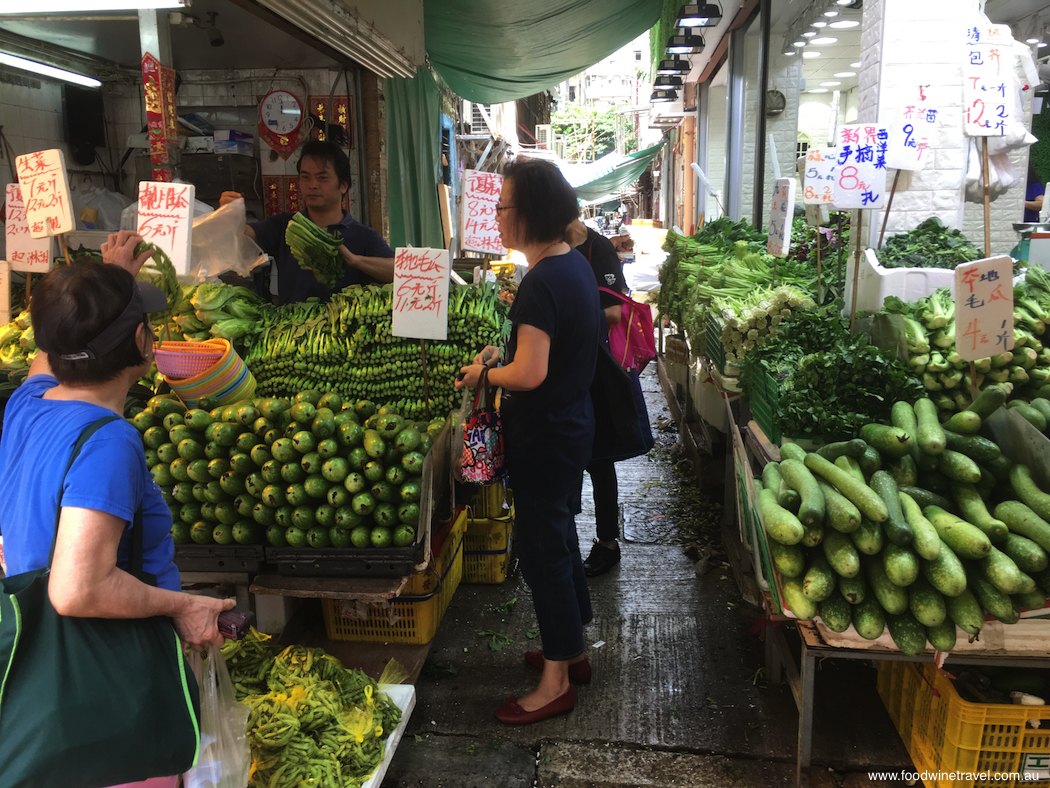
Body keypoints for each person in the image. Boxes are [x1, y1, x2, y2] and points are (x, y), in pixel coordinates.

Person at [0, 230, 233, 787]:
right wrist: (181, 606)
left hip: (41, 673)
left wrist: (107, 282)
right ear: (142, 341)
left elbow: (53, 347)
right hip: (104, 690)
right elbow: (78, 587)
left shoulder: (27, 403)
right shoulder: (108, 441)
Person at [456, 159, 602, 725]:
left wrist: (485, 375)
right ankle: (573, 650)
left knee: (543, 554)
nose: (496, 216)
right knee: (561, 540)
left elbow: (532, 374)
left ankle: (556, 681)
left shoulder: (541, 282)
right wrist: (504, 356)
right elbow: (545, 357)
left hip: (544, 437)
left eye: (502, 206)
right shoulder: (573, 268)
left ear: (530, 213)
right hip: (570, 429)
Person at [220, 140, 394, 303]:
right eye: (305, 177)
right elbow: (244, 237)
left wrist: (356, 261)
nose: (312, 185)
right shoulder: (285, 225)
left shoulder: (364, 236)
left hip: (342, 331)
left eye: (322, 177)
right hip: (291, 330)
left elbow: (397, 270)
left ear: (343, 185)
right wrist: (231, 215)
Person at [565, 218, 627, 577]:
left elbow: (616, 313)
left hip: (598, 369)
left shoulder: (598, 249)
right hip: (569, 367)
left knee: (600, 459)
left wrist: (566, 320)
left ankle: (608, 543)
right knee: (571, 456)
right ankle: (569, 539)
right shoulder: (554, 247)